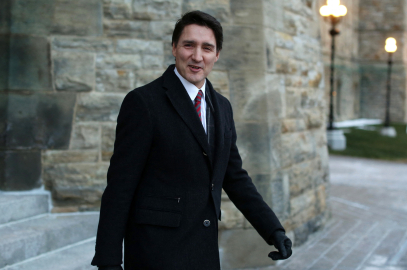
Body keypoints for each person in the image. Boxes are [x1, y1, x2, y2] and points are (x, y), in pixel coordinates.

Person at [91, 10, 292, 270]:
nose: (197, 56)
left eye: (207, 48)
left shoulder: (222, 107)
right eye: (189, 45)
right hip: (155, 254)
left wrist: (273, 230)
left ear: (217, 55)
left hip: (204, 253)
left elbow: (235, 177)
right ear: (174, 48)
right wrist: (108, 261)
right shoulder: (143, 103)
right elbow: (120, 187)